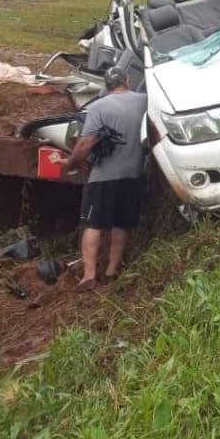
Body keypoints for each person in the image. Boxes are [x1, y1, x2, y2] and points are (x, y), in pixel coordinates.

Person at [61, 65, 149, 289]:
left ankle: (89, 275)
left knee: (93, 224)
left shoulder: (98, 107)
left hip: (103, 177)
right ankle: (112, 271)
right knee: (121, 224)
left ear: (106, 85)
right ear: (127, 80)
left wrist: (70, 163)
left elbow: (86, 143)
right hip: (133, 174)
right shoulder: (143, 101)